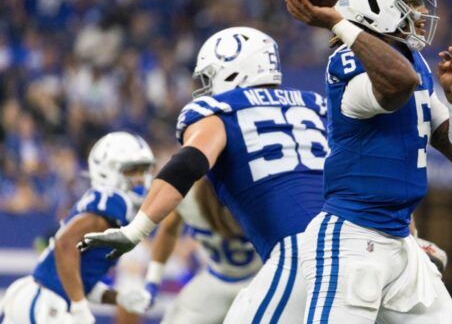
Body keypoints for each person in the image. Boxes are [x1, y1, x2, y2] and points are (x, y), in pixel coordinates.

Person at [78, 27, 329, 323]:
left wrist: (134, 231)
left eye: (210, 77)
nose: (207, 87)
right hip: (347, 238)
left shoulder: (220, 112)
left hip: (291, 257)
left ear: (235, 70)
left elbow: (188, 163)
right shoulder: (316, 106)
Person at [285, 0, 452, 323]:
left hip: (400, 241)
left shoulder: (412, 61)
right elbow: (397, 84)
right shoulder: (348, 59)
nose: (422, 13)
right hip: (352, 240)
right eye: (411, 1)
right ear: (375, 2)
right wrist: (340, 23)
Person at [0, 132, 155, 324]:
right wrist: (79, 306)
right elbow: (64, 244)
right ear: (108, 169)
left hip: (38, 298)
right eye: (132, 170)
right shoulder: (112, 201)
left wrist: (118, 298)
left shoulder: (110, 208)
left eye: (143, 170)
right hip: (48, 303)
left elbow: (79, 279)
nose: (141, 179)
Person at [142, 178, 262, 323]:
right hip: (217, 277)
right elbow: (168, 230)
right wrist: (153, 278)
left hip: (262, 280)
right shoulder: (186, 193)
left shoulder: (260, 191)